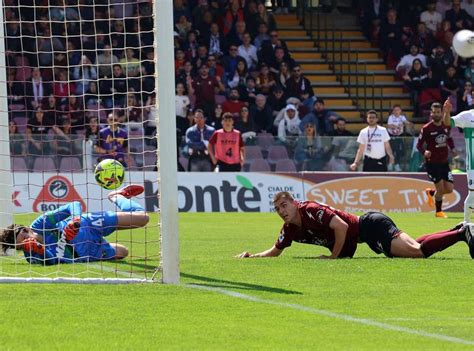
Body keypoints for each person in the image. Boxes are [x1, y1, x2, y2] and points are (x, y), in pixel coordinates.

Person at [236, 191, 474, 259]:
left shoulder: (310, 210)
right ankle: (456, 230)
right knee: (415, 246)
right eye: (278, 209)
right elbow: (275, 250)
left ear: (294, 203)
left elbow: (340, 226)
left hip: (370, 225)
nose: (282, 211)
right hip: (369, 233)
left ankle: (462, 233)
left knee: (417, 253)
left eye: (284, 205)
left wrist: (334, 257)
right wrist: (253, 256)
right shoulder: (290, 229)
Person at [0, 185, 149, 265]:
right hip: (89, 252)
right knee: (123, 252)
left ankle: (116, 196)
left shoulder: (40, 224)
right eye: (21, 245)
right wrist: (40, 250)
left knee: (142, 219)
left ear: (25, 229)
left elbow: (72, 205)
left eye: (24, 236)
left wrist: (75, 220)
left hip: (89, 224)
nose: (26, 241)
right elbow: (52, 261)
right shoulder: (32, 255)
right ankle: (104, 244)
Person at [417, 102, 456, 218]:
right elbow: (419, 145)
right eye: (434, 112)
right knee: (440, 188)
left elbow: (449, 138)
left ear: (441, 113)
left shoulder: (446, 125)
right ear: (431, 113)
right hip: (432, 164)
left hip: (444, 163)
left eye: (438, 112)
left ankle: (431, 193)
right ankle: (438, 212)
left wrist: (453, 149)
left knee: (449, 189)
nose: (436, 114)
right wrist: (425, 152)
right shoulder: (427, 128)